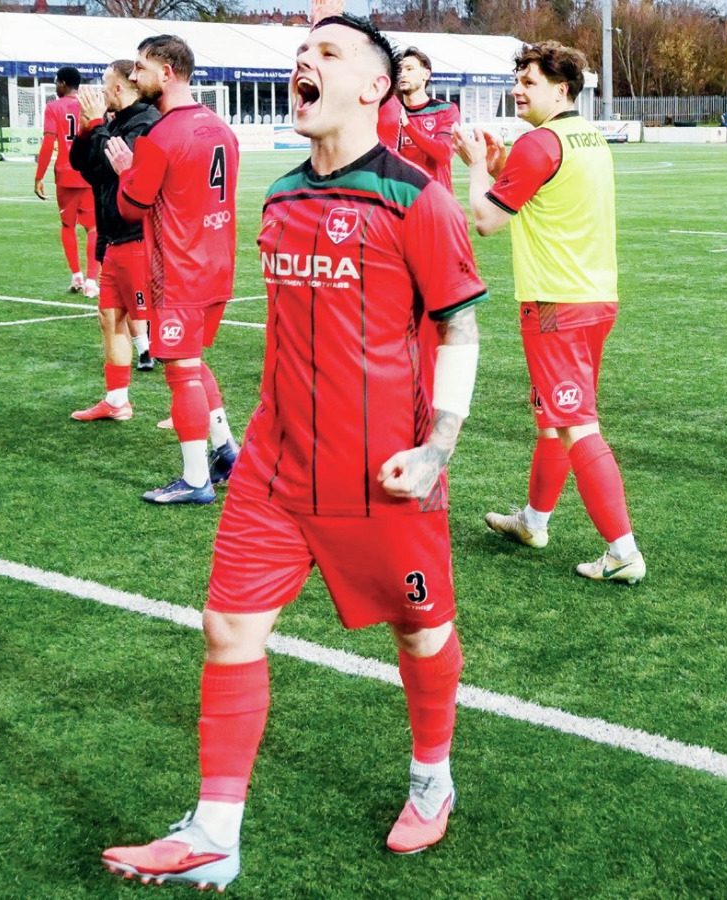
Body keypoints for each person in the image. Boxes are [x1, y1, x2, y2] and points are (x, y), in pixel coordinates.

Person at [101, 16, 486, 889]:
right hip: (275, 470)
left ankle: (432, 779)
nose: (303, 61)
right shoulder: (278, 196)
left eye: (329, 52)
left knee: (423, 635)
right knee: (228, 629)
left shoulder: (413, 197)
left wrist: (437, 448)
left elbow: (458, 328)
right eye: (300, 52)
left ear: (374, 88)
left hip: (383, 474)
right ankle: (214, 831)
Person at [458, 41, 645, 584]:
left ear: (560, 88)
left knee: (574, 425)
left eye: (530, 80)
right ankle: (534, 521)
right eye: (517, 78)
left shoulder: (540, 143)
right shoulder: (586, 136)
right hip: (594, 296)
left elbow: (487, 221)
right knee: (552, 419)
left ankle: (623, 551)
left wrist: (475, 167)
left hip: (555, 304)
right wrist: (498, 163)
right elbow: (544, 191)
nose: (518, 89)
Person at [106, 35, 241, 504]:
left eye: (141, 67)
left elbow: (130, 208)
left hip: (180, 268)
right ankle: (227, 452)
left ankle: (196, 479)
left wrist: (126, 170)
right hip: (218, 262)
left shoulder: (160, 136)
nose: (135, 75)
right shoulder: (220, 127)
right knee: (194, 361)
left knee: (181, 370)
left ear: (166, 72)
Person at [67, 60, 162, 422]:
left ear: (119, 89)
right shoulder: (114, 122)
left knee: (157, 325)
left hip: (138, 238)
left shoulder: (146, 123)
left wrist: (96, 126)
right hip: (114, 238)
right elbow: (85, 166)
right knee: (110, 318)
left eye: (105, 84)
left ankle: (189, 400)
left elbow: (117, 168)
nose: (98, 91)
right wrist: (89, 128)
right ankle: (117, 400)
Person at [35, 66, 101, 298]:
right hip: (90, 173)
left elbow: (47, 142)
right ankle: (92, 281)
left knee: (68, 225)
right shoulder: (90, 104)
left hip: (65, 173)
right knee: (93, 228)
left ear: (63, 83)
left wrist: (39, 176)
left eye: (56, 81)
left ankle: (76, 276)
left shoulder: (54, 107)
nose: (55, 85)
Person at [376, 47, 460, 192]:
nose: (402, 74)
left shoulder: (445, 110)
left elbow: (444, 153)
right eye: (400, 70)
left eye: (409, 69)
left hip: (437, 202)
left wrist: (407, 125)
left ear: (426, 74)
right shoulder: (388, 114)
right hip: (403, 203)